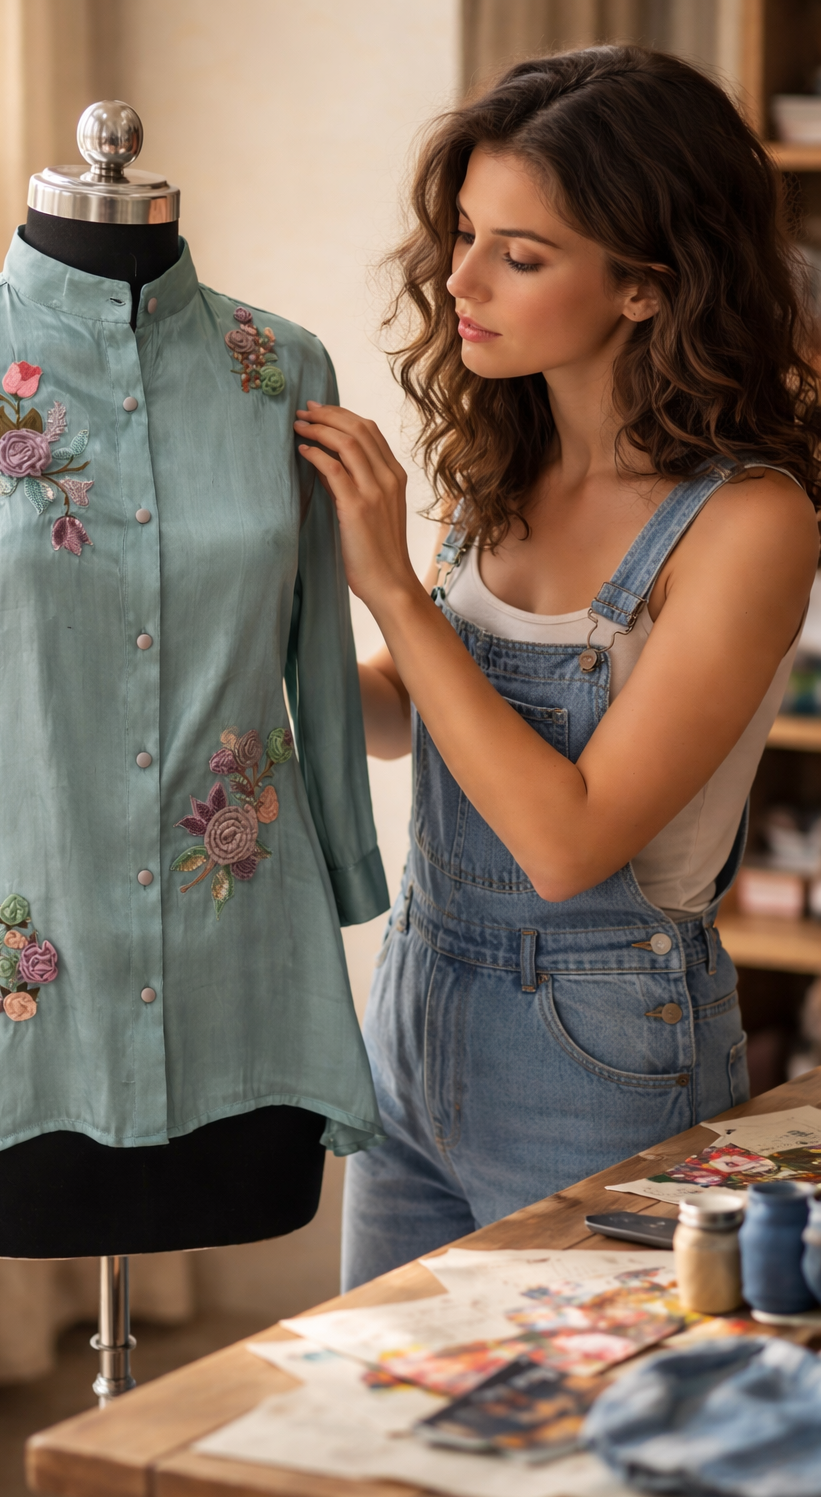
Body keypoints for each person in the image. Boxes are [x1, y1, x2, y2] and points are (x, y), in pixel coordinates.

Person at [293, 45, 821, 1290]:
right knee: (386, 1396)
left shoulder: (750, 522)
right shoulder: (504, 453)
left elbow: (566, 842)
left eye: (519, 256)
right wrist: (262, 621)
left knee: (578, 1409)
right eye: (464, 234)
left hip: (600, 1054)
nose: (460, 280)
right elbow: (408, 711)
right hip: (416, 1006)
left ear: (644, 285)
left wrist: (388, 586)